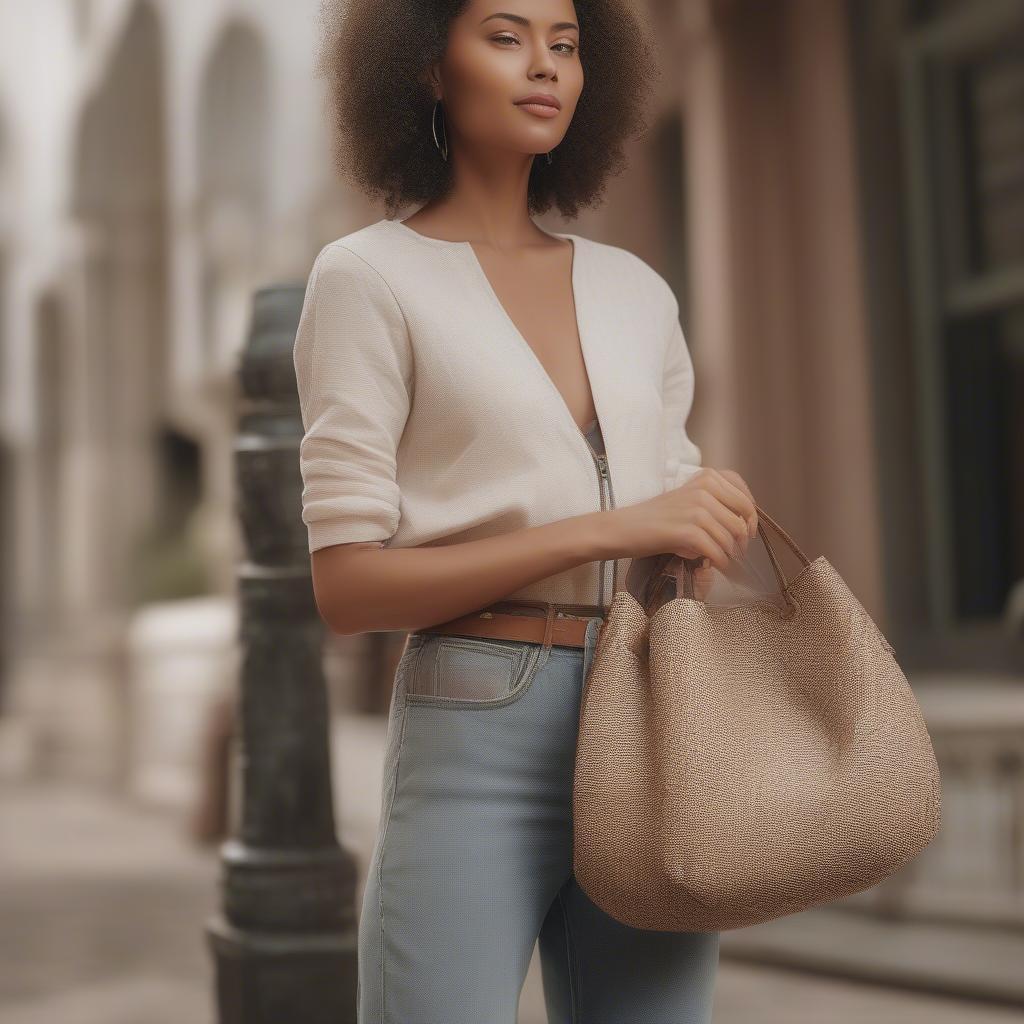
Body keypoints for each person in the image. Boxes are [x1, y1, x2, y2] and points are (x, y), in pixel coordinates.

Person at [298, 2, 758, 1020]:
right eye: (505, 36)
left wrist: (698, 526)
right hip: (476, 724)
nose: (544, 65)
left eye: (565, 42)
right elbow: (347, 587)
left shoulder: (637, 292)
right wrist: (614, 526)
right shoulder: (367, 279)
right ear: (426, 65)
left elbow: (664, 534)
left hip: (643, 720)